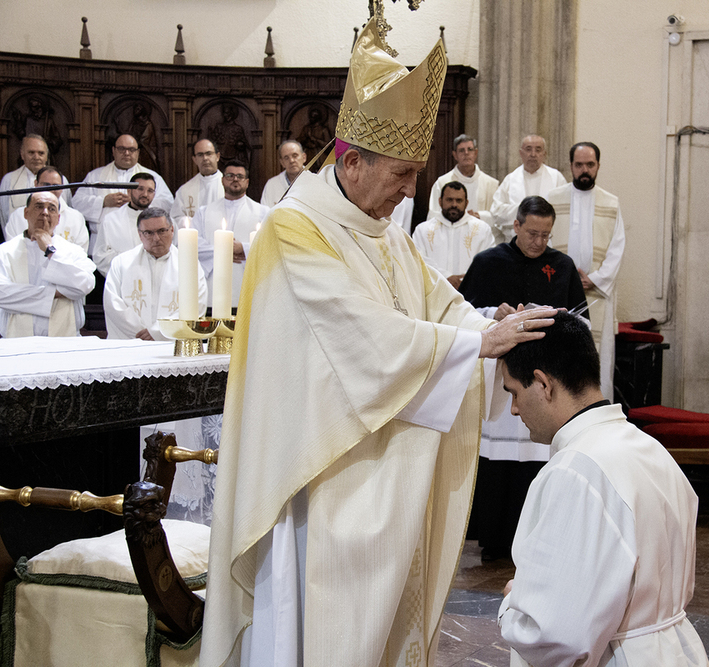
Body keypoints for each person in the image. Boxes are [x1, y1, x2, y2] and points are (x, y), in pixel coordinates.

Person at [199, 18, 557, 667]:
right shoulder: (292, 230)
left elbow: (437, 303)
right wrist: (473, 344)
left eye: (417, 175)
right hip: (321, 475)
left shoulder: (385, 228)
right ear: (351, 160)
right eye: (402, 174)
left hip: (386, 464)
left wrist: (485, 323)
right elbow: (355, 333)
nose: (410, 192)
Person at [496, 312, 709, 667]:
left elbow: (555, 636)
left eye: (514, 394)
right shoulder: (648, 447)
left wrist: (514, 604)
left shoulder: (577, 470)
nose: (515, 409)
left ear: (543, 384)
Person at [460, 196, 587, 562]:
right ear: (516, 226)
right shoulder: (488, 262)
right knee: (498, 461)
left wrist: (556, 318)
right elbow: (460, 314)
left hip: (544, 380)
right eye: (532, 233)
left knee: (537, 459)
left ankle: (537, 538)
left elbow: (583, 322)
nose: (539, 242)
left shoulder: (562, 265)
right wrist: (493, 314)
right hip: (501, 378)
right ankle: (496, 539)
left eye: (546, 235)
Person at [546, 141, 626, 400]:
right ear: (570, 166)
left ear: (598, 166)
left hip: (597, 294)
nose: (584, 170)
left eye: (590, 165)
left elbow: (617, 247)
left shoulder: (611, 203)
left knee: (598, 361)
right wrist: (564, 278)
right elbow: (543, 241)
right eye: (579, 164)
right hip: (559, 291)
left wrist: (594, 279)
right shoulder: (553, 199)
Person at [0, 191, 96, 337]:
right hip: (17, 340)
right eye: (39, 207)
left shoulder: (73, 251)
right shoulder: (4, 252)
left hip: (64, 340)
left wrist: (50, 250)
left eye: (51, 208)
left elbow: (85, 285)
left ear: (58, 218)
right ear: (26, 213)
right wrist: (54, 294)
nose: (45, 212)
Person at [103, 206, 208, 340]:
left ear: (172, 230)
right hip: (129, 343)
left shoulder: (189, 263)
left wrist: (158, 332)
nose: (156, 238)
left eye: (161, 231)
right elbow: (113, 304)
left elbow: (197, 303)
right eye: (149, 233)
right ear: (140, 235)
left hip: (170, 346)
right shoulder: (121, 263)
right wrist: (141, 334)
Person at [71, 134, 173, 252]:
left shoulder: (153, 178)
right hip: (104, 242)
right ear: (113, 151)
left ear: (138, 152)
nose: (127, 153)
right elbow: (77, 204)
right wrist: (103, 202)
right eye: (121, 149)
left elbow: (167, 204)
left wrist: (138, 201)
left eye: (131, 149)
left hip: (143, 241)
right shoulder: (96, 176)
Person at [194, 161, 269, 309]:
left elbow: (270, 244)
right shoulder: (204, 212)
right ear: (222, 180)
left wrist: (243, 248)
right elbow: (193, 244)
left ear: (247, 182)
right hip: (213, 286)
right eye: (230, 175)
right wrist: (223, 251)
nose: (235, 179)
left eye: (240, 176)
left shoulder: (263, 212)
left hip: (246, 284)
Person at [412, 181, 495, 289]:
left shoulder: (482, 229)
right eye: (449, 200)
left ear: (466, 203)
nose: (454, 205)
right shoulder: (423, 230)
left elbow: (489, 263)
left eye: (459, 200)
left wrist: (464, 281)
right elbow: (417, 260)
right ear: (440, 201)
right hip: (434, 291)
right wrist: (445, 277)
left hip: (470, 292)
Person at [489, 134, 566, 244]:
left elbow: (564, 210)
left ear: (544, 154)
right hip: (516, 244)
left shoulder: (556, 178)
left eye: (538, 150)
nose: (533, 154)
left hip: (547, 243)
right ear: (521, 153)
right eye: (528, 149)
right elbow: (496, 212)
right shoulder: (510, 180)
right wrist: (526, 210)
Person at [4, 166, 89, 253]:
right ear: (36, 184)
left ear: (62, 188)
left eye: (55, 186)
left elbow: (80, 256)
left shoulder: (76, 218)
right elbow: (11, 250)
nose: (51, 190)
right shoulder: (17, 216)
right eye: (46, 185)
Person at [92, 173, 157, 277]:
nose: (145, 194)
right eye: (140, 189)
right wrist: (130, 267)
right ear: (129, 191)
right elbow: (100, 257)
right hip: (122, 280)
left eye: (150, 191)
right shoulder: (111, 220)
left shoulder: (162, 221)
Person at [0, 134, 71, 224]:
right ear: (22, 154)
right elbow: (2, 214)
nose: (36, 157)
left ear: (46, 156)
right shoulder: (9, 179)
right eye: (31, 152)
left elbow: (67, 211)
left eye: (41, 153)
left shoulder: (60, 180)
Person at [426, 134, 499, 224]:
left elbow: (498, 216)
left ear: (475, 153)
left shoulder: (491, 184)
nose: (466, 153)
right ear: (455, 155)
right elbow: (433, 216)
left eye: (470, 149)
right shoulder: (442, 183)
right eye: (461, 150)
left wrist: (479, 216)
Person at [169, 139, 225, 228]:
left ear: (217, 156)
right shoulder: (185, 190)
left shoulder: (229, 186)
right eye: (200, 155)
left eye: (209, 153)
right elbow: (175, 219)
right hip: (195, 239)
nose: (205, 158)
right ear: (194, 159)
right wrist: (194, 222)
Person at [260, 140, 307, 206]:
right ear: (282, 163)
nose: (291, 160)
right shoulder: (272, 185)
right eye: (286, 158)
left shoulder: (316, 182)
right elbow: (266, 213)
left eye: (295, 155)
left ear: (304, 157)